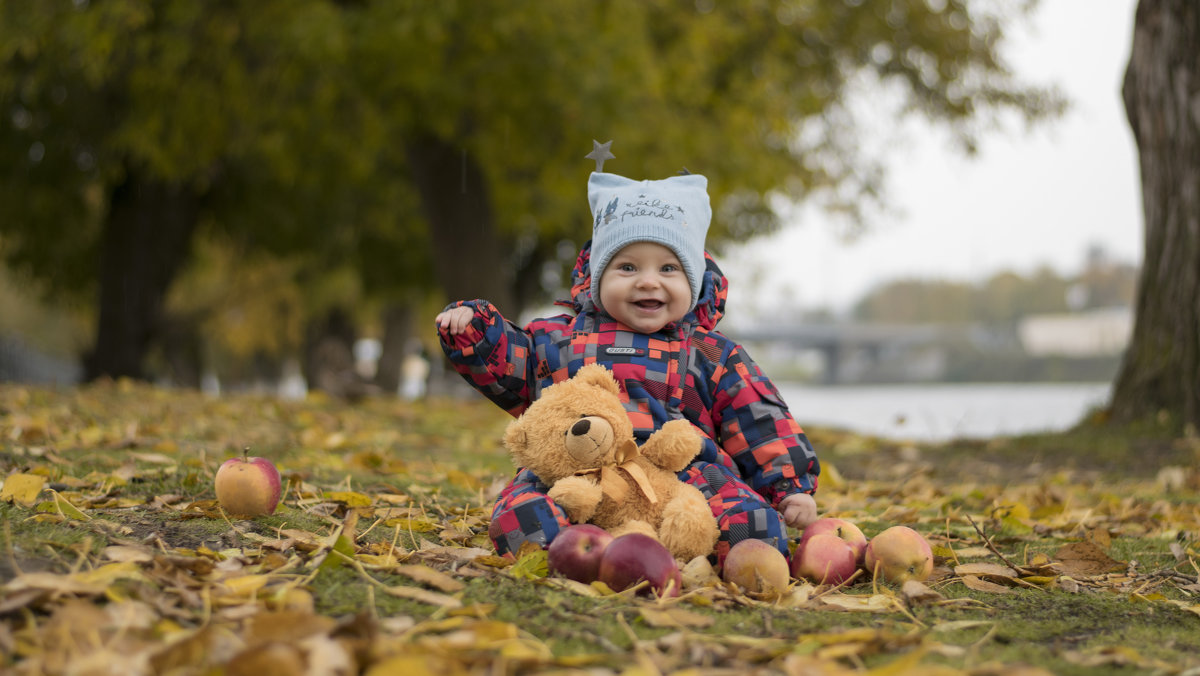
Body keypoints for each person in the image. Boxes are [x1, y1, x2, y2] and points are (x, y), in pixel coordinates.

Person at [435, 159, 820, 571]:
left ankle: (724, 560)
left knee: (754, 522)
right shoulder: (557, 339)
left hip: (684, 475)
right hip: (574, 470)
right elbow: (511, 366)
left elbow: (759, 417)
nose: (648, 281)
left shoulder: (710, 353)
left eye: (668, 268)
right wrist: (474, 330)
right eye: (627, 267)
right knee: (521, 513)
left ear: (694, 282)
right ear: (597, 276)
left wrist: (789, 485)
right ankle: (572, 556)